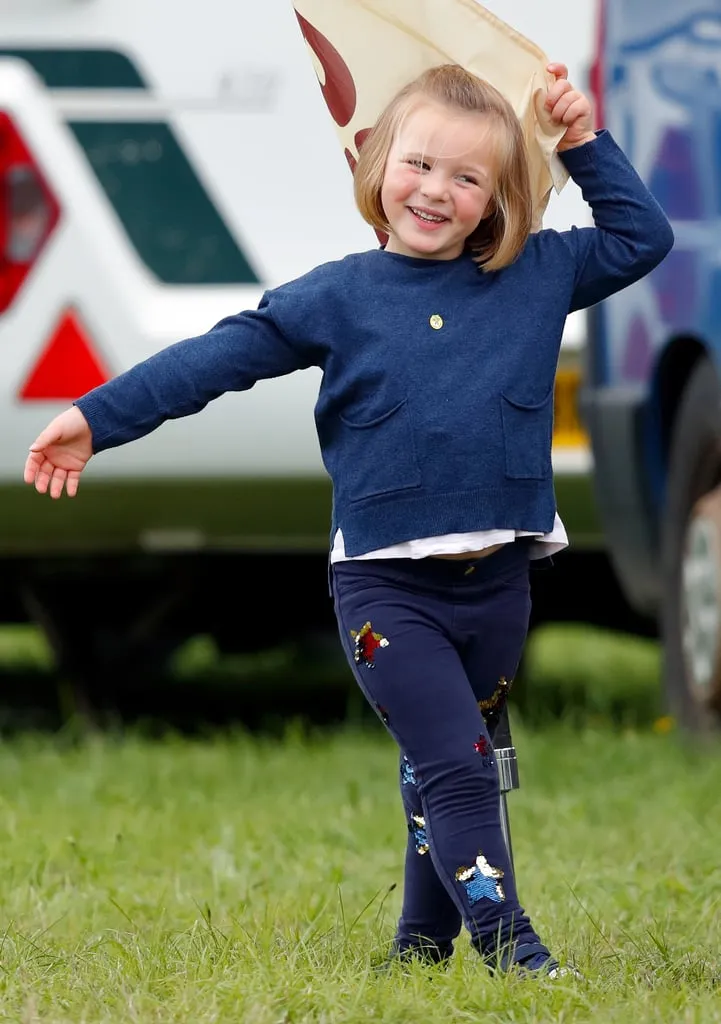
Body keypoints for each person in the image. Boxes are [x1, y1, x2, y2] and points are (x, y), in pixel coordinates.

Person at [23, 62, 674, 977]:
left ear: (497, 198)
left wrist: (580, 143)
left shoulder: (536, 274)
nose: (435, 191)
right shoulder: (338, 297)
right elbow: (216, 361)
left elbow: (642, 236)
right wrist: (96, 418)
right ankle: (509, 947)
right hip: (384, 592)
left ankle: (417, 947)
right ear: (374, 166)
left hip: (498, 588)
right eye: (417, 164)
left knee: (448, 767)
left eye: (466, 177)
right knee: (453, 764)